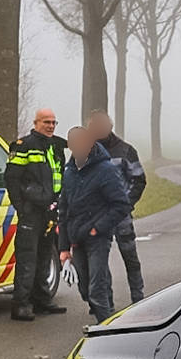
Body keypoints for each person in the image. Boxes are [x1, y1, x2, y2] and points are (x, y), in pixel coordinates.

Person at [56, 124, 131, 324]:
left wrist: (97, 228)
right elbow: (63, 210)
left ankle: (108, 330)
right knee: (85, 290)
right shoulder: (69, 171)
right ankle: (111, 315)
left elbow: (121, 205)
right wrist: (63, 248)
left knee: (96, 290)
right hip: (76, 239)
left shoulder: (105, 170)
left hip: (98, 238)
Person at [2, 108, 67, 321]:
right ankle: (21, 304)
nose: (50, 126)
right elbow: (12, 178)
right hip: (31, 211)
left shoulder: (56, 146)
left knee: (45, 255)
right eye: (46, 122)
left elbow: (59, 176)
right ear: (36, 123)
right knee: (27, 257)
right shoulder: (24, 146)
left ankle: (42, 300)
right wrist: (21, 207)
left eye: (53, 122)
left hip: (50, 210)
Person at [87, 110, 146, 304]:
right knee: (100, 263)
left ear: (109, 127)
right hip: (97, 217)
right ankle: (106, 303)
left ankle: (138, 299)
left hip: (121, 217)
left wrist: (125, 205)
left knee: (130, 258)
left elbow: (139, 180)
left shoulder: (126, 150)